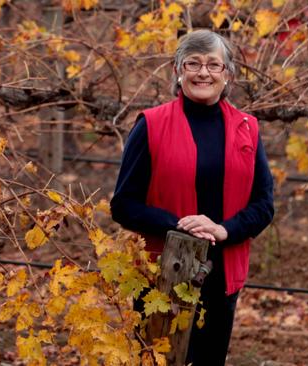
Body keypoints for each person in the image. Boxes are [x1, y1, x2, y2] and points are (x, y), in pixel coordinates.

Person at [110, 30, 274, 365]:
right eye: (193, 63)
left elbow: (263, 205)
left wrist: (223, 230)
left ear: (227, 74)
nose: (203, 72)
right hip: (162, 273)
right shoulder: (151, 125)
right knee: (159, 361)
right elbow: (123, 204)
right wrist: (179, 226)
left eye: (214, 65)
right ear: (178, 71)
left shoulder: (248, 128)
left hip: (221, 271)